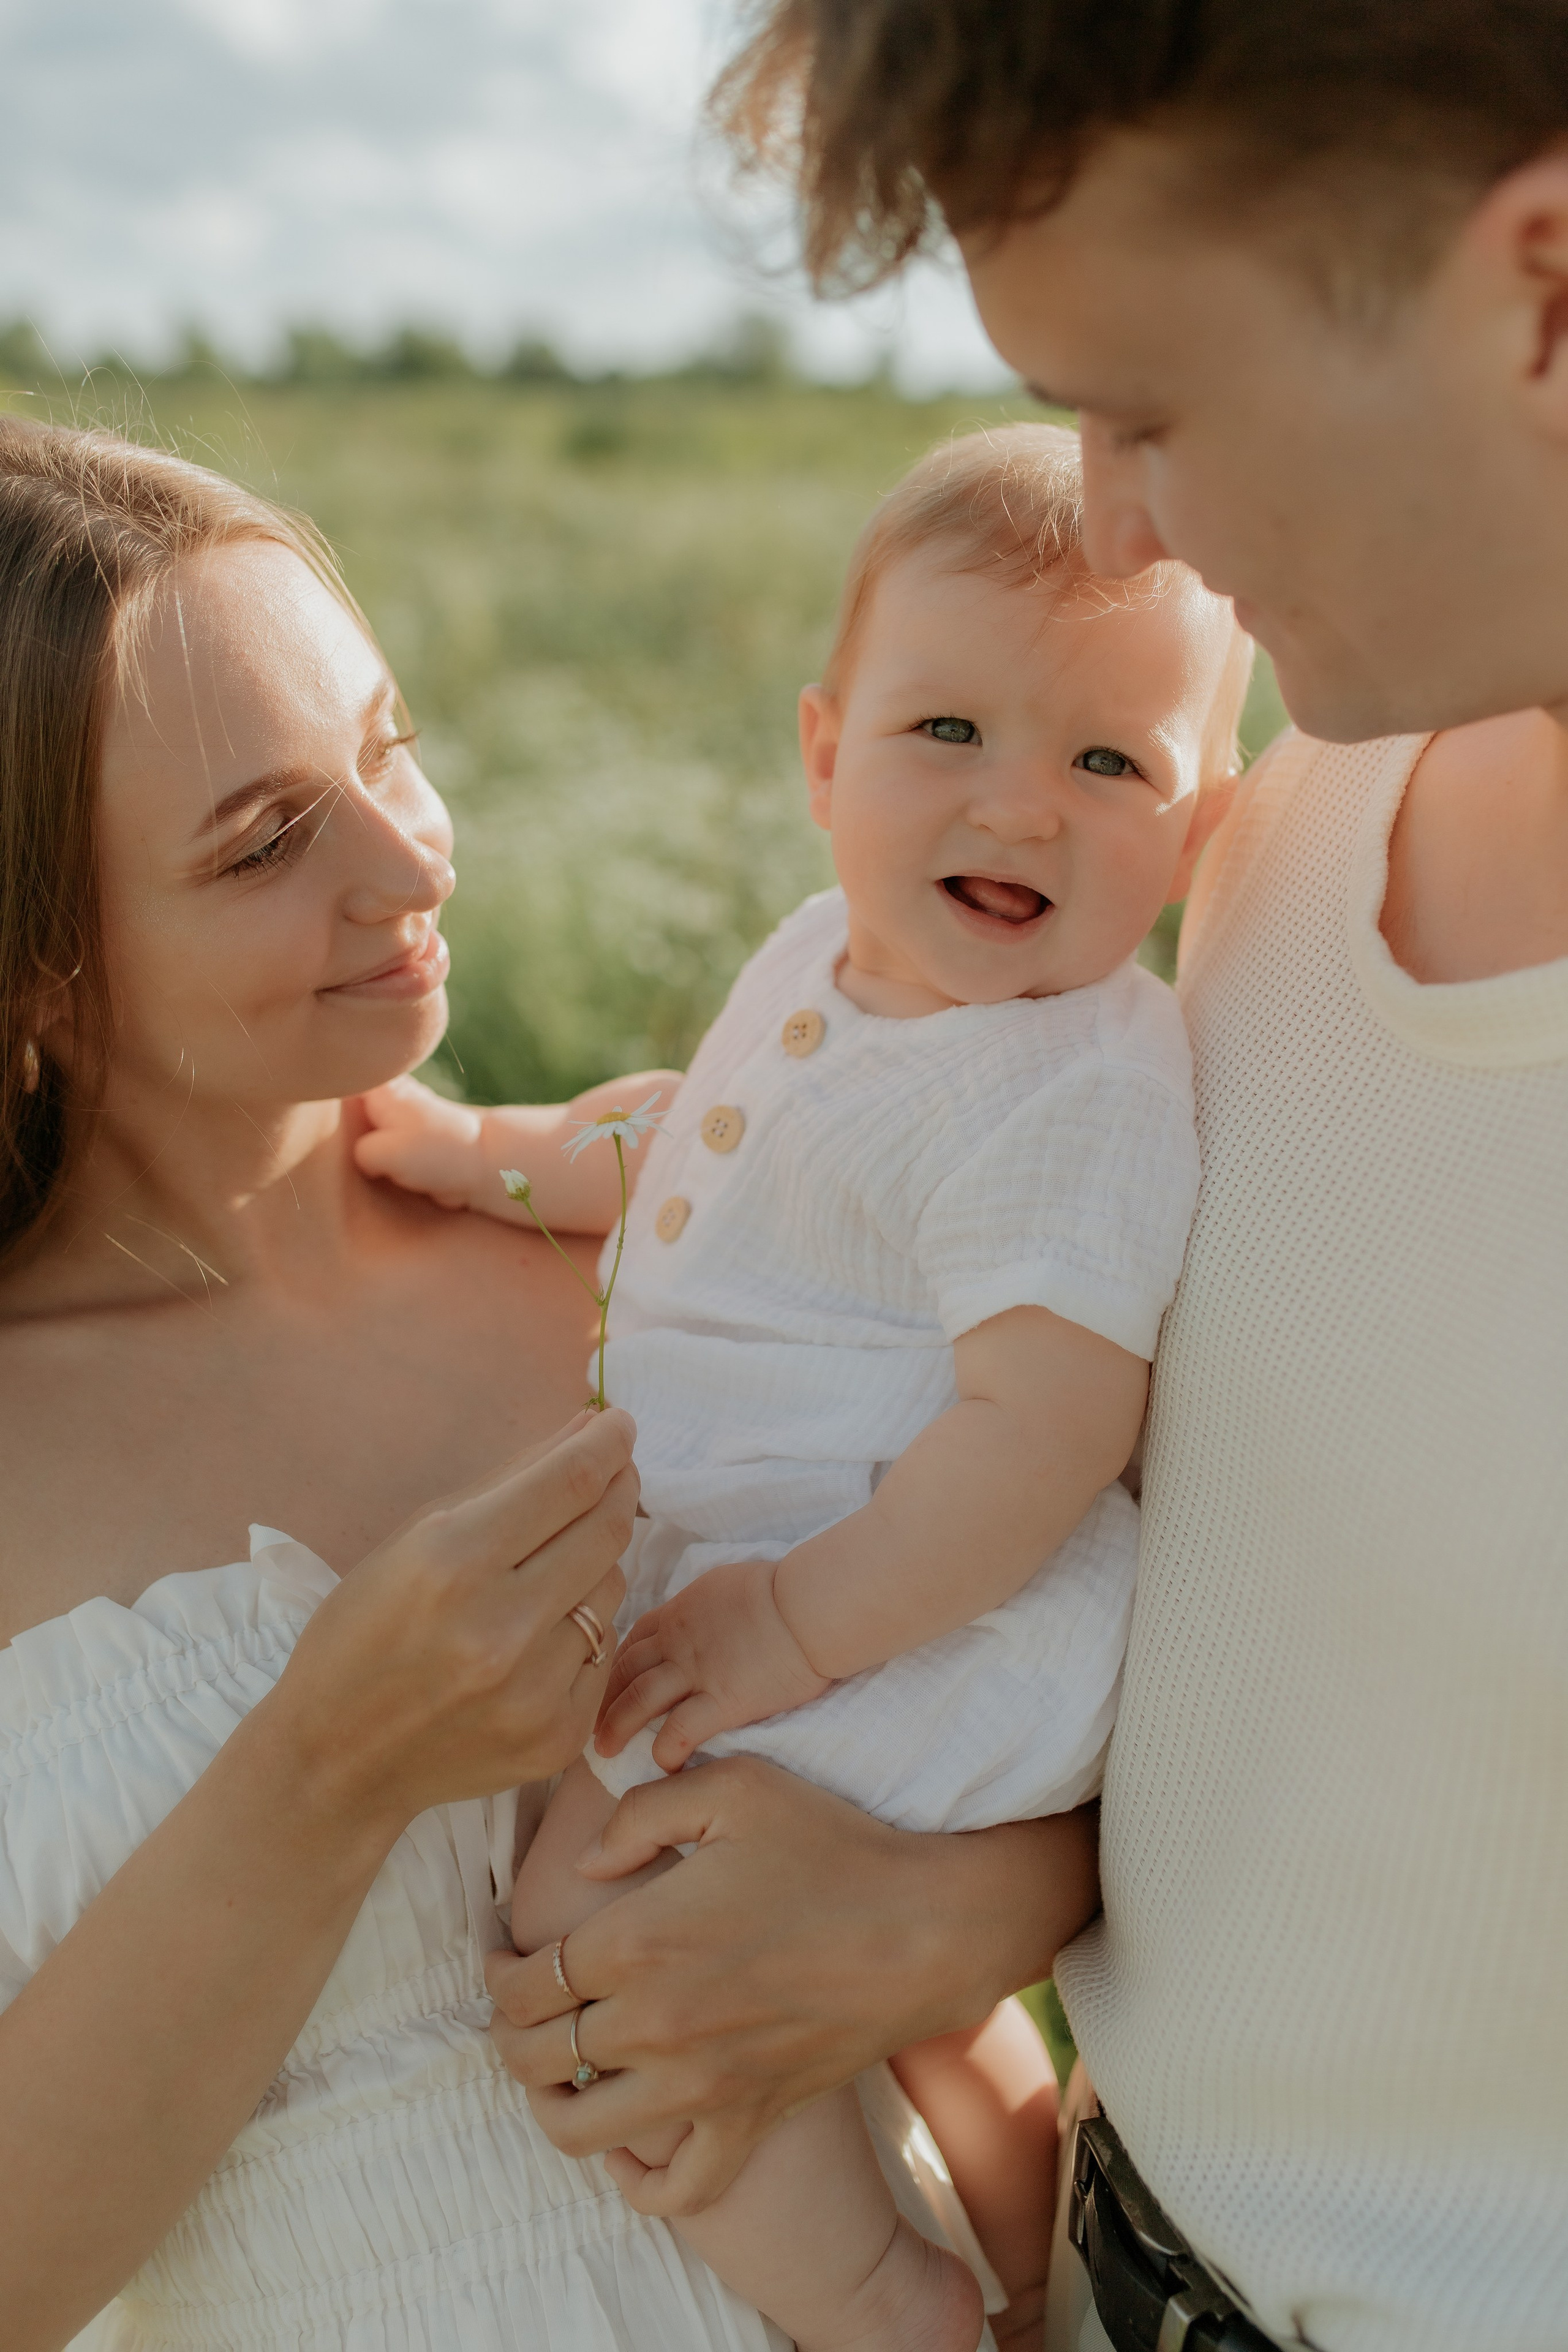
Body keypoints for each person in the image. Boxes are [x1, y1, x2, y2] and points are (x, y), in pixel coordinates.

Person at [484, 8, 1568, 2352]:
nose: (1117, 525)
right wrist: (949, 1910)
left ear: (1547, 291)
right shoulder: (1256, 856)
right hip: (1083, 2268)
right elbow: (1272, 1648)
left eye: (1153, 412)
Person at [0, 417, 981, 2352]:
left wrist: (945, 1924)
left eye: (389, 748)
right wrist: (324, 1771)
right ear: (39, 966)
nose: (408, 861)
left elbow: (1088, 1668)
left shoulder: (657, 1218)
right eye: (269, 841)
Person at [358, 422, 1250, 2351]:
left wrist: (783, 1628)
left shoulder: (1070, 1085)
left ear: (1198, 826)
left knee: (598, 1905)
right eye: (953, 735)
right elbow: (700, 1144)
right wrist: (482, 1150)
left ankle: (883, 2310)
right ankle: (1031, 2258)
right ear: (825, 752)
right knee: (926, 1999)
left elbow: (1045, 1430)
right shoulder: (832, 965)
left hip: (931, 1596)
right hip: (840, 1572)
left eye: (1110, 761)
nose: (1021, 809)